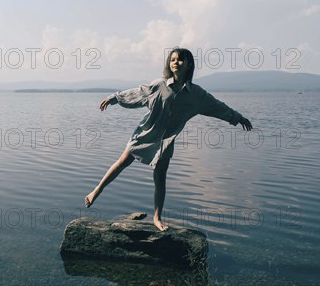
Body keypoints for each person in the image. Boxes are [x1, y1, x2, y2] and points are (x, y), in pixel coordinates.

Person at [84, 47, 253, 232]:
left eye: (180, 60)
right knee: (122, 162)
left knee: (160, 178)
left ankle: (157, 218)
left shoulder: (197, 95)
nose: (175, 62)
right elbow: (138, 93)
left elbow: (217, 107)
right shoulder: (160, 85)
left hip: (166, 141)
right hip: (145, 134)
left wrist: (238, 118)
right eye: (172, 59)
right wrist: (114, 98)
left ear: (189, 65)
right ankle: (96, 191)